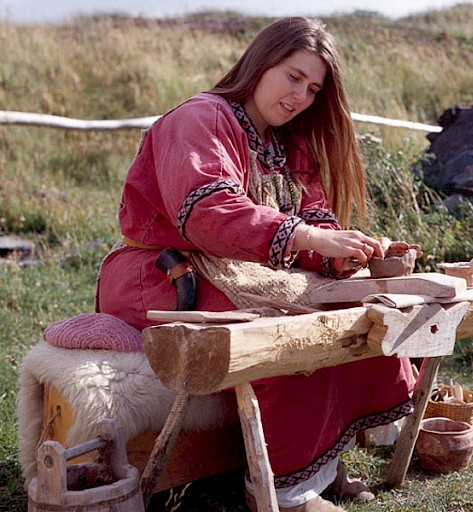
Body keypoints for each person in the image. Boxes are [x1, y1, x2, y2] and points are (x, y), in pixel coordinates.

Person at [96, 17, 417, 512]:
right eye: (294, 76)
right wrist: (307, 237)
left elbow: (313, 218)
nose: (300, 97)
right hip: (163, 275)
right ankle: (285, 492)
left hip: (241, 273)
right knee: (289, 332)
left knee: (352, 316)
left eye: (312, 88)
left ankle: (321, 464)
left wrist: (347, 252)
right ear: (261, 62)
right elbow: (208, 212)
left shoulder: (289, 142)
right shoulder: (201, 117)